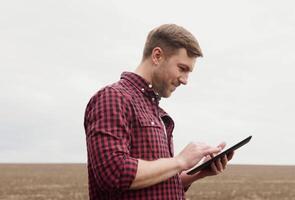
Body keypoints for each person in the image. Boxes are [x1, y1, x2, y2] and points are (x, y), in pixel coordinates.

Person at [84, 24, 235, 200]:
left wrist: (197, 172)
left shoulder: (155, 110)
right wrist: (180, 161)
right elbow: (114, 173)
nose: (185, 80)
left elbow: (157, 185)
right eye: (182, 68)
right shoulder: (113, 98)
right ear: (157, 56)